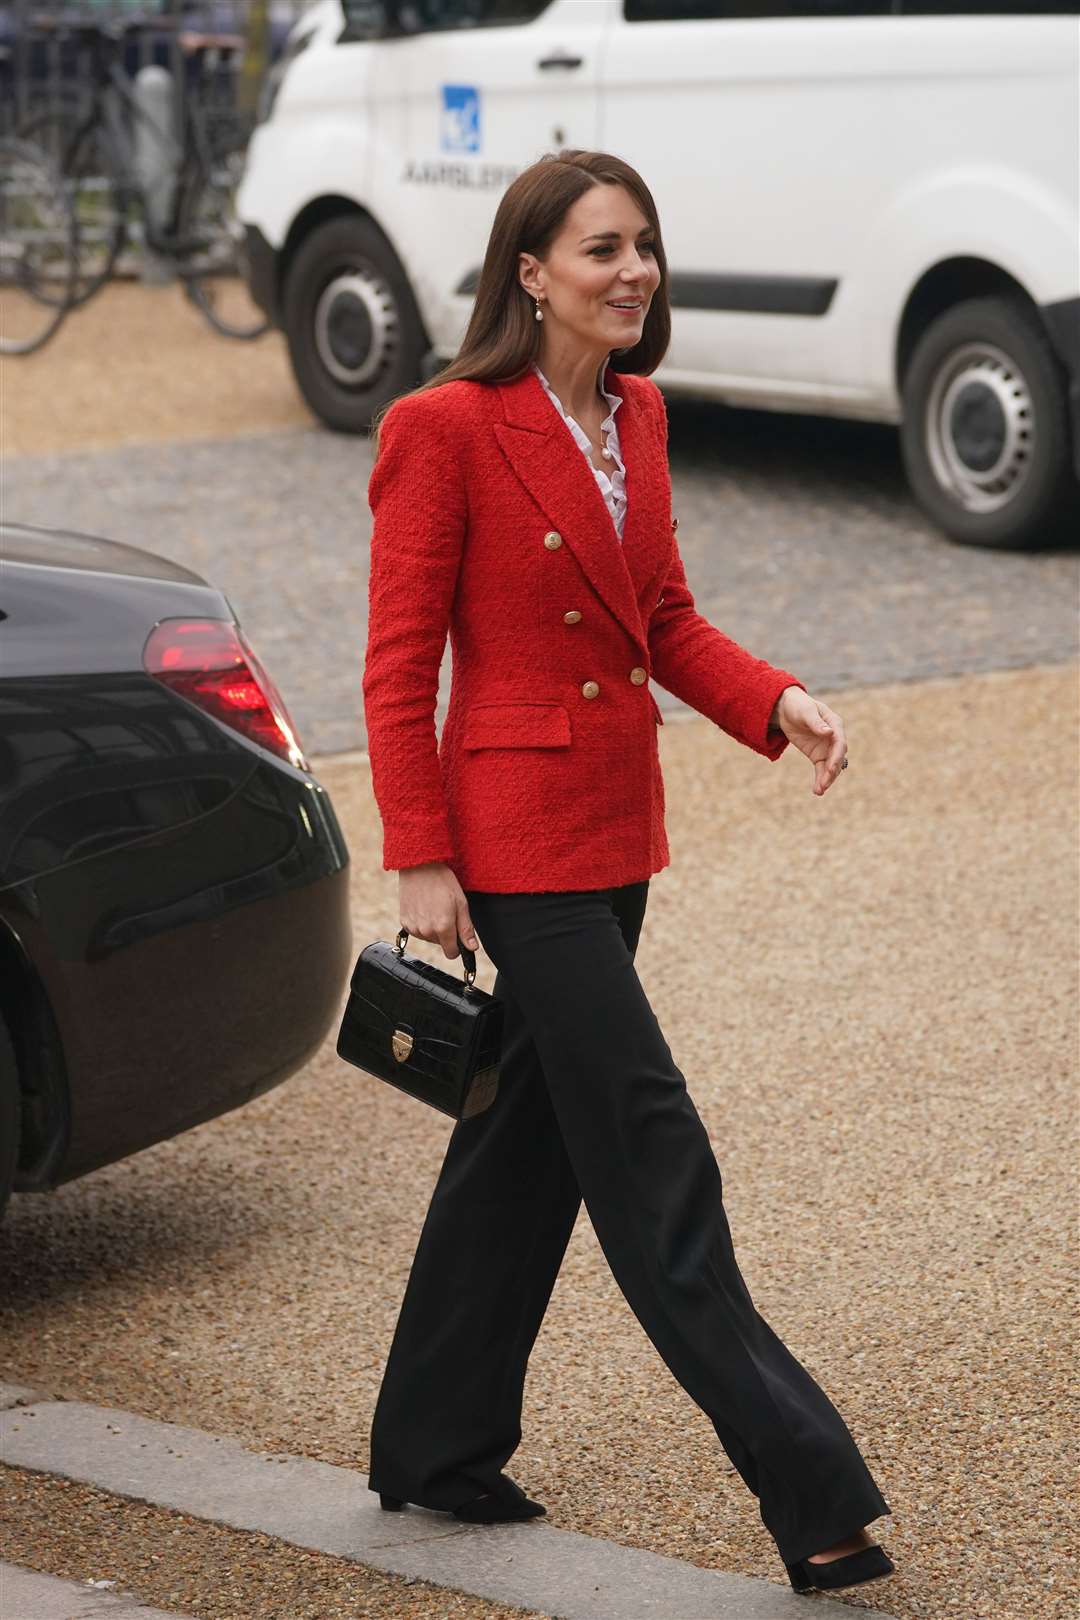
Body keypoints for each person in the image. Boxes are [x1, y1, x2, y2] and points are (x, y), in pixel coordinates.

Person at [360, 149, 895, 1597]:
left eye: (644, 245)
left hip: (614, 834)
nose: (632, 271)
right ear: (529, 272)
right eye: (601, 249)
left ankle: (433, 1446)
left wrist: (775, 703)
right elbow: (400, 668)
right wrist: (420, 853)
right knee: (651, 1147)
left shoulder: (638, 416)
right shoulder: (444, 427)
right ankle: (816, 1497)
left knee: (521, 1146)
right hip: (514, 850)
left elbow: (660, 615)